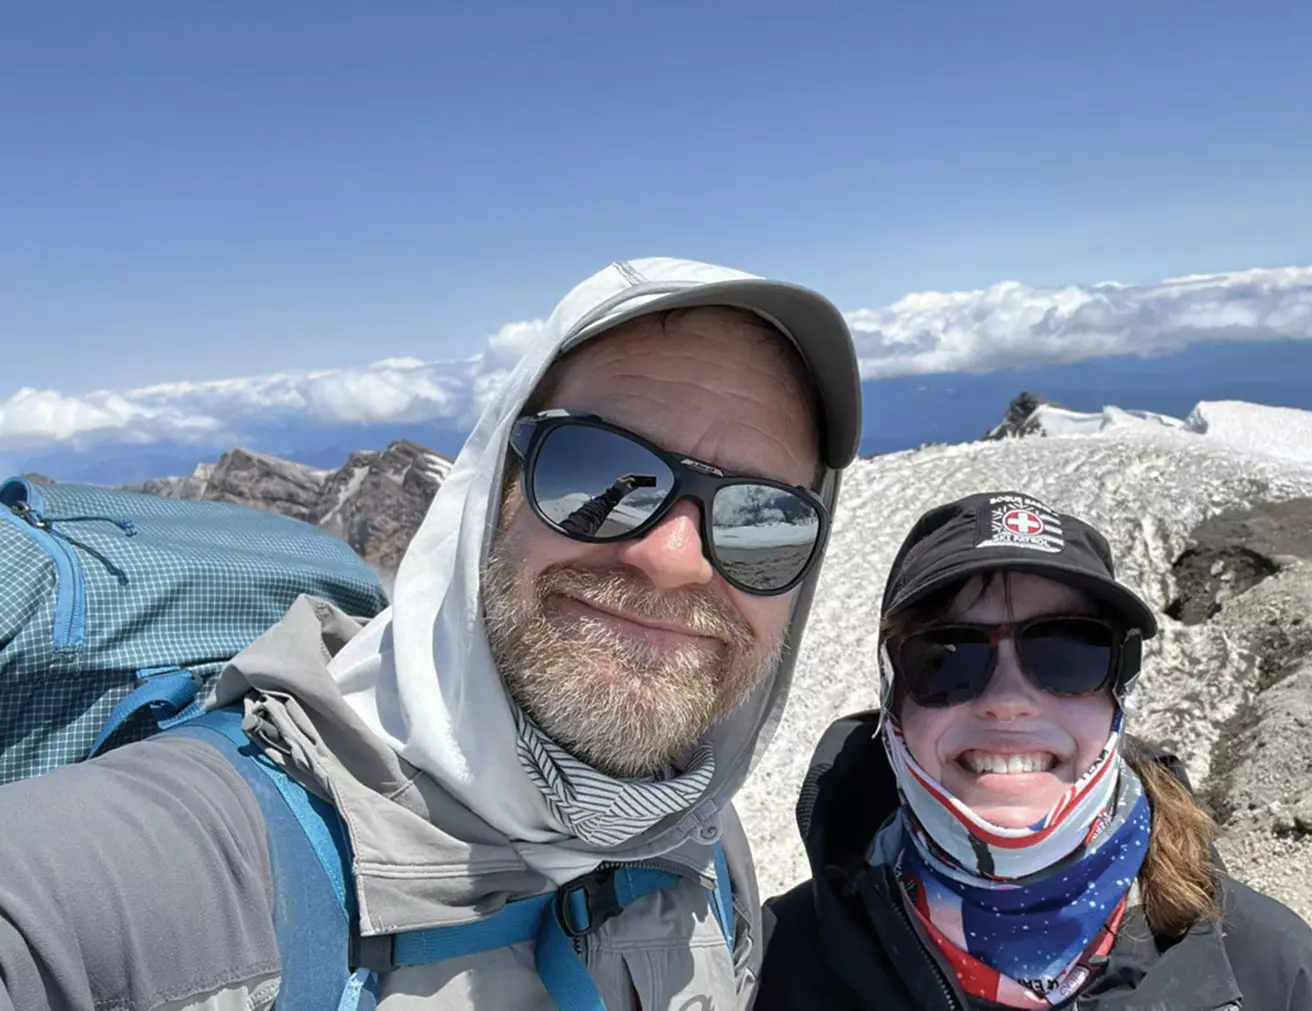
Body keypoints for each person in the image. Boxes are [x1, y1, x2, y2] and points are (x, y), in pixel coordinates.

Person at [0, 257, 863, 1010]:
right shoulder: (160, 876)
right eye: (600, 472)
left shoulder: (705, 855)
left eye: (765, 519)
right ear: (488, 492)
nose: (675, 557)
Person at [756, 491, 1312, 1009]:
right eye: (947, 660)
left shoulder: (1267, 968)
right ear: (893, 704)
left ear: (1117, 691)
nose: (1009, 701)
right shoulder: (775, 965)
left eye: (1069, 653)